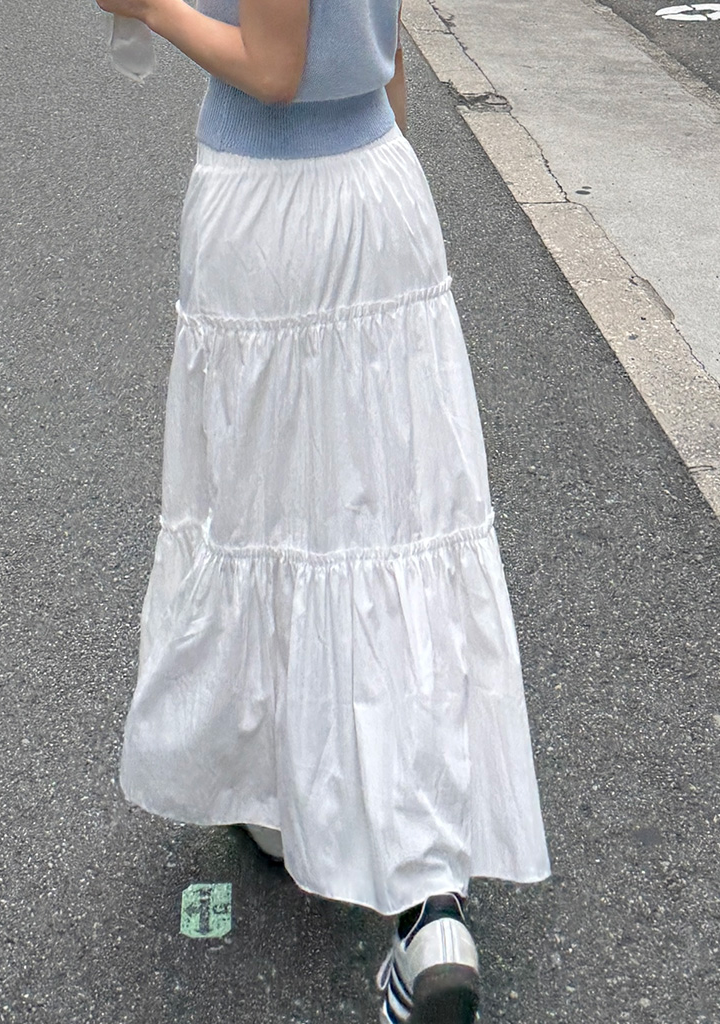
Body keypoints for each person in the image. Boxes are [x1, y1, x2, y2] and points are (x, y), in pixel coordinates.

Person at [97, 1, 551, 1021]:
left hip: (276, 210)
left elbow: (272, 68)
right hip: (374, 184)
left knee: (271, 513)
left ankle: (413, 896)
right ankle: (357, 830)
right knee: (387, 522)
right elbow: (385, 54)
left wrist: (152, 8)